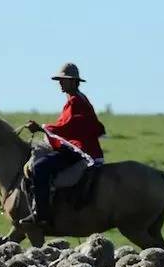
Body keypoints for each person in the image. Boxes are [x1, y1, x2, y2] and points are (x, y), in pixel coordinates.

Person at [22, 62, 106, 224]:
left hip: (79, 151)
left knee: (40, 167)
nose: (60, 83)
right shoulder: (77, 99)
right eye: (60, 80)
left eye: (64, 80)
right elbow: (67, 126)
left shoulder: (75, 102)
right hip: (78, 148)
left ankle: (42, 215)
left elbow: (67, 127)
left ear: (74, 81)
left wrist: (41, 128)